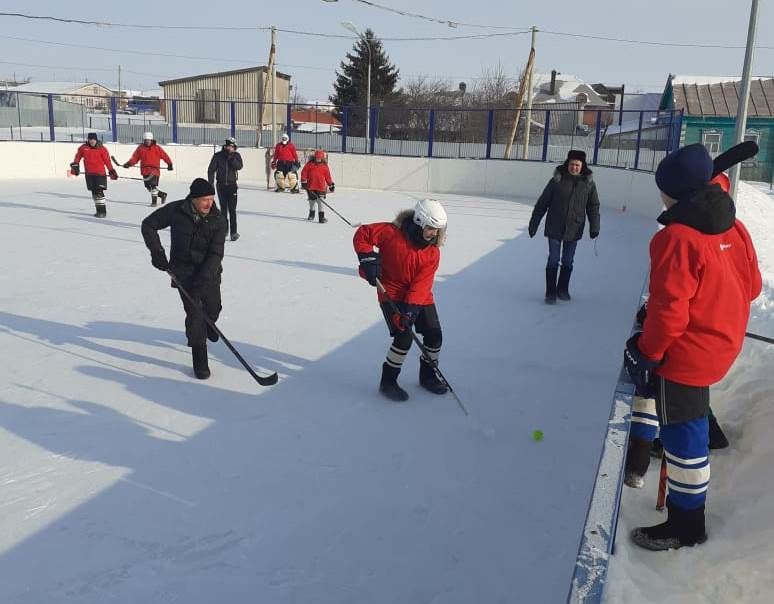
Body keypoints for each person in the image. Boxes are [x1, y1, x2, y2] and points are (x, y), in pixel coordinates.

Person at [623, 143, 761, 551]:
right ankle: (679, 446)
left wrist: (646, 352)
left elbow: (668, 314)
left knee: (684, 438)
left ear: (676, 192)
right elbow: (751, 286)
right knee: (689, 421)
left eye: (662, 188)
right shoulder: (731, 222)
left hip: (690, 355)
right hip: (724, 342)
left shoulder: (677, 238)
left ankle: (686, 524)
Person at [353, 199, 449, 401]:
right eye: (431, 228)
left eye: (438, 230)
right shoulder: (391, 233)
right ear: (420, 221)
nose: (435, 234)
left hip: (420, 295)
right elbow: (363, 234)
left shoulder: (433, 252)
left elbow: (422, 285)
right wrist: (368, 259)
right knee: (403, 337)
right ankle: (388, 381)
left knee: (434, 335)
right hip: (391, 292)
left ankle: (428, 376)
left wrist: (410, 310)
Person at [141, 178, 228, 380]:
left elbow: (216, 255)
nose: (209, 204)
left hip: (210, 273)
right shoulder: (177, 210)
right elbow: (148, 225)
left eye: (211, 199)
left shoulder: (219, 220)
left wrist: (202, 281)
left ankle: (210, 325)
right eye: (204, 199)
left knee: (213, 309)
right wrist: (157, 252)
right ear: (194, 199)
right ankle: (200, 358)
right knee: (195, 314)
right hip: (183, 273)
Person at [528, 149, 600, 304]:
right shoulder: (557, 180)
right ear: (568, 163)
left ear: (582, 166)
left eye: (577, 165)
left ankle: (562, 289)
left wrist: (595, 226)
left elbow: (593, 207)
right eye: (572, 164)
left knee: (568, 261)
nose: (574, 167)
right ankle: (550, 293)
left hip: (574, 229)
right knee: (554, 259)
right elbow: (543, 203)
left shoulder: (588, 184)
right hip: (555, 226)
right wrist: (534, 222)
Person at [69, 132, 117, 217]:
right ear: (88, 140)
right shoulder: (83, 148)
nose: (92, 141)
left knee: (99, 192)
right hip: (89, 174)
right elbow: (77, 157)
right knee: (94, 193)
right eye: (90, 139)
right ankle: (98, 211)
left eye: (93, 139)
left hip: (100, 174)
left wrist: (111, 171)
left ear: (96, 139)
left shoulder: (102, 149)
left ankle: (102, 212)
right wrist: (75, 166)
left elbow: (107, 161)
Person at [123, 131, 173, 206]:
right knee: (148, 187)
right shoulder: (140, 148)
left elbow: (165, 156)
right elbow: (135, 158)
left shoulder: (157, 148)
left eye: (149, 140)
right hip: (145, 171)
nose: (147, 142)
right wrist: (129, 164)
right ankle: (162, 195)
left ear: (152, 140)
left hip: (154, 170)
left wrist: (169, 164)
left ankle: (154, 202)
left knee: (153, 186)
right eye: (146, 140)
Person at [207, 137, 243, 242]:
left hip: (232, 186)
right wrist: (211, 184)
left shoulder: (236, 156)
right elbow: (211, 170)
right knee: (223, 210)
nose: (231, 148)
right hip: (221, 186)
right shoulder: (218, 156)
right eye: (229, 146)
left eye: (232, 146)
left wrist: (231, 158)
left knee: (232, 210)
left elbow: (239, 166)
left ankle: (233, 232)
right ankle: (224, 231)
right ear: (226, 146)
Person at [300, 149, 335, 223]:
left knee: (320, 202)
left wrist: (330, 184)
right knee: (311, 201)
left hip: (321, 187)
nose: (318, 159)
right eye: (317, 158)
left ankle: (321, 218)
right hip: (310, 186)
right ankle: (311, 215)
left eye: (320, 158)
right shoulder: (309, 164)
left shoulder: (325, 166)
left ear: (322, 158)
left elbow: (328, 177)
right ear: (314, 157)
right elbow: (304, 173)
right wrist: (303, 182)